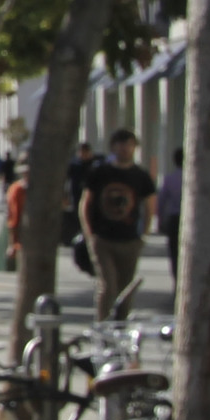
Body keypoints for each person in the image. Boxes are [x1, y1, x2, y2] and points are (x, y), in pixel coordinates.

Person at [81, 128, 157, 321]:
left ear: (135, 147)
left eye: (129, 144)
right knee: (108, 285)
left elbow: (149, 206)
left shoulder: (140, 175)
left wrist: (144, 234)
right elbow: (86, 203)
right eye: (120, 144)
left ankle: (120, 327)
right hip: (103, 239)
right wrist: (90, 235)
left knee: (125, 289)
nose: (125, 149)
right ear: (113, 146)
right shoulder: (100, 172)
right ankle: (103, 325)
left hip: (130, 240)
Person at [64, 139, 99, 277]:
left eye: (86, 152)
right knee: (80, 229)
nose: (83, 155)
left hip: (93, 204)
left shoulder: (95, 166)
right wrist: (65, 197)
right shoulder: (74, 166)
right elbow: (66, 181)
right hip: (77, 201)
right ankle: (84, 256)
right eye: (81, 152)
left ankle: (91, 258)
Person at [158, 147, 184, 280]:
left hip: (175, 219)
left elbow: (161, 202)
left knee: (175, 253)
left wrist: (160, 221)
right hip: (192, 222)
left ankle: (177, 279)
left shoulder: (169, 179)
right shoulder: (198, 178)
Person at [3, 156, 29, 274]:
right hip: (22, 231)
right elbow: (13, 216)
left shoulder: (17, 189)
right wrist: (12, 243)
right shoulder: (17, 190)